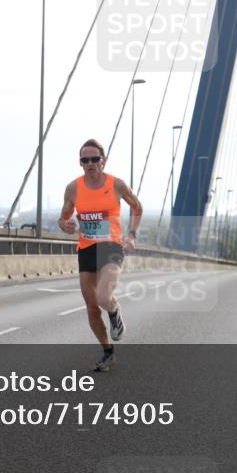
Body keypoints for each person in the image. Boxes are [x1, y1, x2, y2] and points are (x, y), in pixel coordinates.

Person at [58, 138, 142, 371]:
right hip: (86, 248)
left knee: (104, 296)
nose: (90, 163)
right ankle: (107, 352)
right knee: (92, 306)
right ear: (80, 163)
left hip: (112, 246)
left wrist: (132, 235)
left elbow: (137, 207)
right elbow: (64, 216)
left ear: (103, 161)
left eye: (95, 159)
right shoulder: (73, 188)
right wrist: (64, 224)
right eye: (85, 160)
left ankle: (114, 312)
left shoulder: (117, 184)